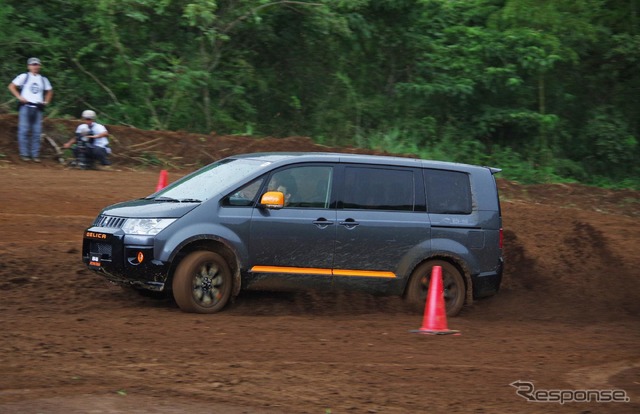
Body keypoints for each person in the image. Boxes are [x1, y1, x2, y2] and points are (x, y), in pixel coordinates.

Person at [7, 57, 54, 162]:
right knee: (24, 130)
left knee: (37, 132)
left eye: (37, 64)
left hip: (37, 107)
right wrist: (19, 97)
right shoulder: (24, 76)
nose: (35, 66)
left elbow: (50, 91)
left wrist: (45, 102)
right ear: (28, 66)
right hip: (26, 106)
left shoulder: (43, 79)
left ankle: (35, 155)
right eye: (33, 64)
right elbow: (11, 86)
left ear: (40, 66)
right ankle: (24, 154)